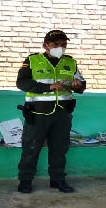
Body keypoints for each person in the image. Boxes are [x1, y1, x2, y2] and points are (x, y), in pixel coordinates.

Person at [16, 30, 86, 194]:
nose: (60, 47)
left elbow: (82, 85)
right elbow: (22, 83)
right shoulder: (32, 60)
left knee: (59, 149)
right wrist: (48, 87)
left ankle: (58, 180)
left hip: (62, 114)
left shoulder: (70, 62)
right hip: (37, 115)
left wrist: (77, 86)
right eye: (56, 44)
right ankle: (25, 181)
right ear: (45, 45)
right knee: (31, 149)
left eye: (63, 44)